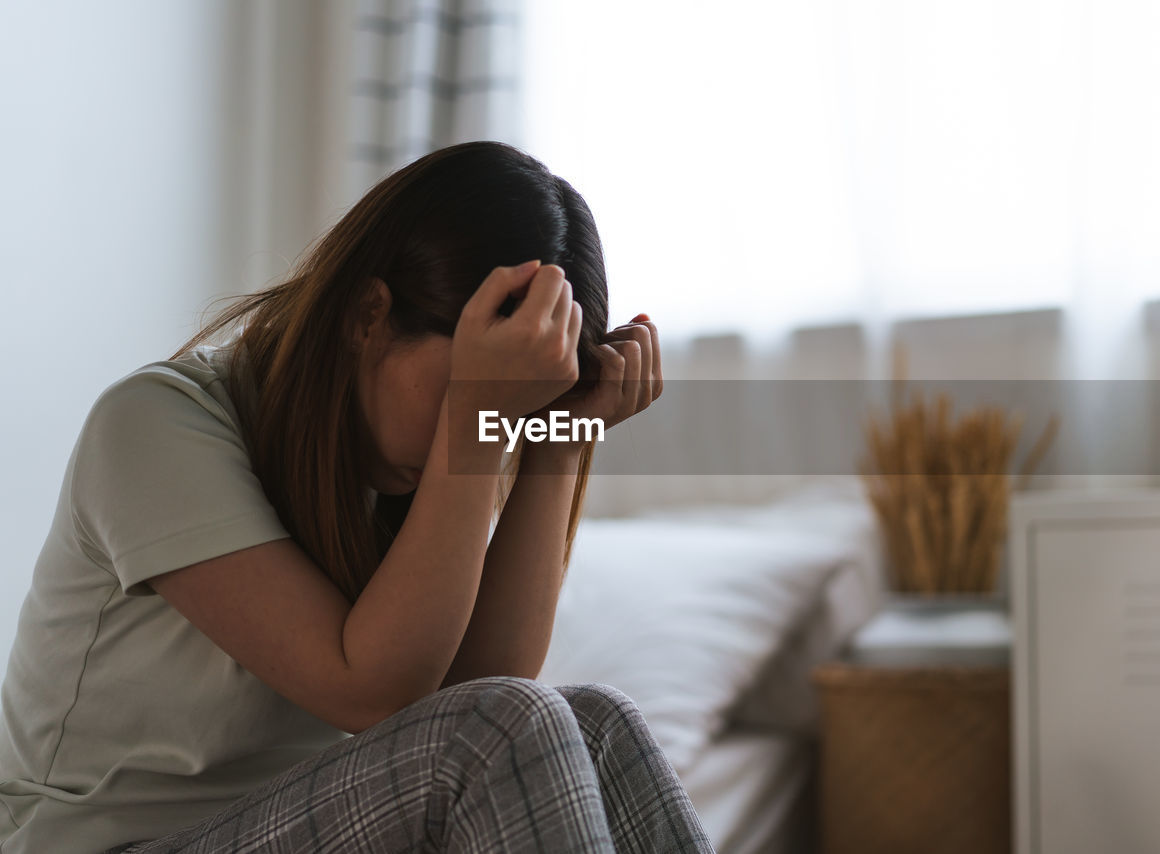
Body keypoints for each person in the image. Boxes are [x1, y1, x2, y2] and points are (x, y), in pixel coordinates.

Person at [0, 141, 715, 853]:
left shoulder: (394, 475)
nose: (494, 431)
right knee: (505, 723)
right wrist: (472, 421)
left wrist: (558, 442)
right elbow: (374, 693)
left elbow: (472, 689)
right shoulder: (155, 424)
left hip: (294, 828)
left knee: (596, 721)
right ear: (367, 315)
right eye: (478, 395)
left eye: (515, 411)